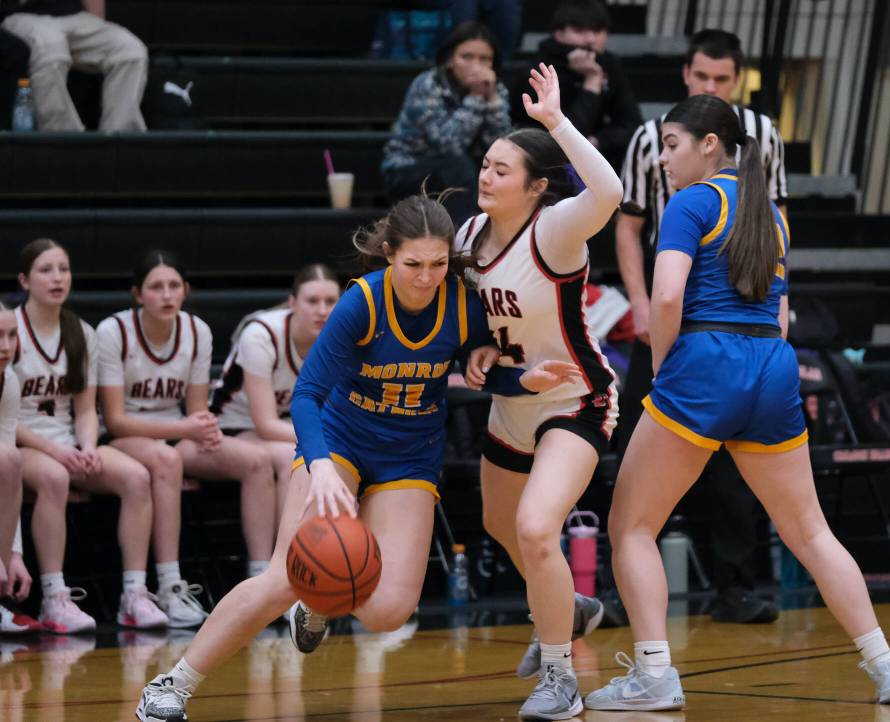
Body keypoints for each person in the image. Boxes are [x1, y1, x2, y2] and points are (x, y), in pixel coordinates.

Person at [134, 192, 580, 722]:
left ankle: (320, 601)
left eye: (439, 264)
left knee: (388, 612)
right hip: (339, 444)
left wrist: (521, 381)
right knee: (282, 578)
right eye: (414, 264)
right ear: (389, 254)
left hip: (409, 457)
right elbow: (305, 396)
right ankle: (170, 687)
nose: (426, 276)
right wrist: (319, 464)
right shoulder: (361, 303)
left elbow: (481, 369)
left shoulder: (461, 303)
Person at [584, 95, 890, 711]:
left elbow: (664, 299)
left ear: (709, 145)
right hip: (771, 363)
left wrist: (666, 368)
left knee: (631, 526)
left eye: (672, 143)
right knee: (810, 530)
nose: (662, 158)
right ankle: (886, 664)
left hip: (705, 361)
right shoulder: (771, 212)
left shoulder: (691, 202)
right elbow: (782, 312)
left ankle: (655, 676)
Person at [449, 62, 623, 719]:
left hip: (575, 399)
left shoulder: (554, 230)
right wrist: (475, 348)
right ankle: (570, 608)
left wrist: (556, 121)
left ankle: (559, 679)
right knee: (499, 523)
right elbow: (470, 322)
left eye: (501, 169)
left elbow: (608, 191)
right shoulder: (467, 238)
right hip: (512, 402)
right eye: (485, 165)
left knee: (534, 526)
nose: (486, 176)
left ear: (536, 186)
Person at [616, 28, 788, 623]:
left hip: (714, 327)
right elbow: (629, 224)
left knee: (731, 469)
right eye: (702, 76)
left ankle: (731, 586)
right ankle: (625, 588)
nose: (711, 85)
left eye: (722, 79)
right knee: (632, 450)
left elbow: (775, 230)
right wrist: (639, 302)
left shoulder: (762, 139)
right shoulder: (650, 140)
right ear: (685, 75)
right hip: (682, 322)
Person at [97, 251, 280, 627]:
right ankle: (168, 586)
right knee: (167, 461)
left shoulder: (197, 331)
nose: (166, 295)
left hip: (179, 433)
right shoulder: (113, 331)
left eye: (174, 286)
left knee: (257, 462)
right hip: (125, 438)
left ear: (186, 291)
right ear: (138, 294)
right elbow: (115, 421)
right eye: (156, 287)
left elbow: (197, 409)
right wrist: (186, 429)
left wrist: (204, 430)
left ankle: (262, 583)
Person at [13, 238, 166, 633]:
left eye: (63, 268)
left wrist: (86, 445)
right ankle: (53, 598)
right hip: (21, 442)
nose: (57, 277)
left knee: (136, 476)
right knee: (54, 476)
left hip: (67, 440)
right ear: (24, 280)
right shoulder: (9, 329)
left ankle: (134, 595)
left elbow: (84, 409)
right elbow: (4, 418)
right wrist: (56, 451)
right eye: (46, 270)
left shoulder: (80, 332)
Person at [211, 265, 341, 527]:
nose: (322, 310)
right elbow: (266, 424)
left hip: (287, 428)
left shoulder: (338, 338)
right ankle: (281, 559)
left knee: (338, 455)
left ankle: (324, 554)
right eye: (313, 301)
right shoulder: (261, 335)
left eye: (330, 302)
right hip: (234, 426)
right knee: (294, 456)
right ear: (293, 302)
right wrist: (323, 440)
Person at [382, 21, 511, 227]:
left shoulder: (495, 89)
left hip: (463, 169)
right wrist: (477, 98)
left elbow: (500, 145)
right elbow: (448, 144)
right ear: (450, 59)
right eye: (466, 57)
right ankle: (463, 240)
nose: (476, 65)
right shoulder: (427, 84)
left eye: (484, 59)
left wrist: (493, 100)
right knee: (459, 167)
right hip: (410, 168)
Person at [511, 0, 641, 172]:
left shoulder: (609, 64)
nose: (590, 40)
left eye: (598, 31)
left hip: (595, 158)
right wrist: (592, 83)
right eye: (579, 31)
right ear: (558, 33)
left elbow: (632, 123)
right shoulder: (538, 72)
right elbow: (562, 140)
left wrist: (598, 140)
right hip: (542, 161)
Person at [1, 0, 148, 131]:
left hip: (73, 15)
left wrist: (97, 24)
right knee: (51, 48)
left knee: (130, 50)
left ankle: (118, 140)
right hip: (20, 15)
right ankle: (65, 140)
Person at [0, 302, 33, 633]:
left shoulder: (8, 380)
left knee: (9, 460)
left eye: (11, 335)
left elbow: (7, 476)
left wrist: (12, 553)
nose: (5, 346)